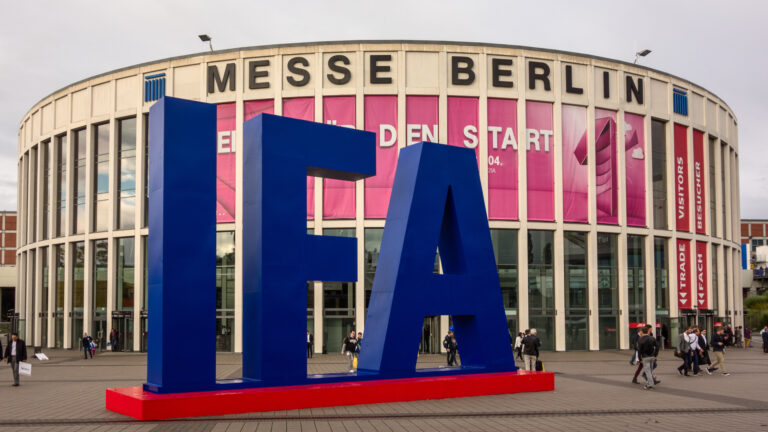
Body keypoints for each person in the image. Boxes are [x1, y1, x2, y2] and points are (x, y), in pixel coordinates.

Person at [637, 325, 659, 390]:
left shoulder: (640, 339)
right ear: (648, 331)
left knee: (648, 371)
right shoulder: (652, 338)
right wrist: (655, 355)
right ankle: (648, 383)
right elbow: (657, 346)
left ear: (642, 332)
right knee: (650, 371)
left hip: (645, 357)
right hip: (652, 356)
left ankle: (650, 385)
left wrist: (639, 358)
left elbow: (639, 350)